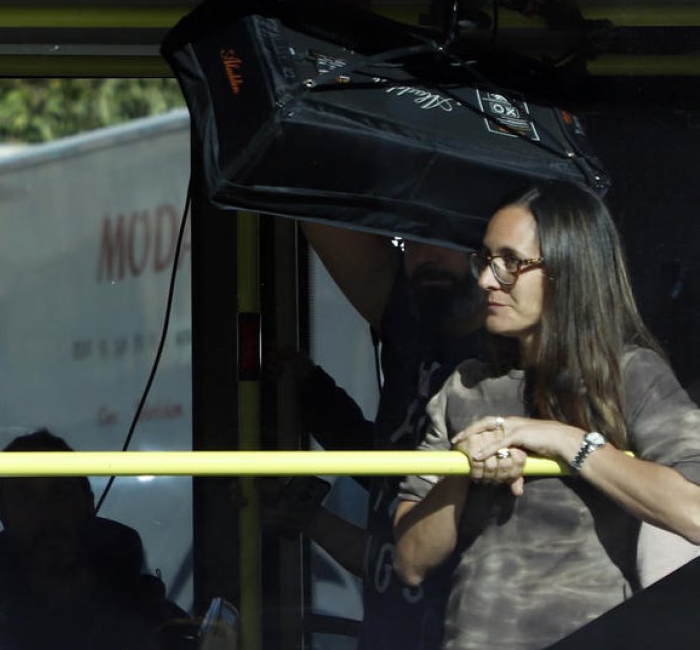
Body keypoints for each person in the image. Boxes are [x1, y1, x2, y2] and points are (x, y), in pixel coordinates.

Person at [393, 185, 700, 649]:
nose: (487, 280)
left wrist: (564, 441)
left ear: (567, 271)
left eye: (511, 263)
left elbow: (694, 512)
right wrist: (464, 471)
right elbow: (410, 562)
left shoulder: (630, 375)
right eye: (486, 259)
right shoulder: (465, 387)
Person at [283, 222, 485, 649]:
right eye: (410, 236)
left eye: (446, 233)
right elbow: (391, 558)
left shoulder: (520, 377)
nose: (424, 253)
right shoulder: (411, 325)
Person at [0, 429, 185, 650]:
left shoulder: (146, 610)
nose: (46, 511)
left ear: (88, 502)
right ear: (4, 514)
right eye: (27, 498)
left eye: (61, 494)